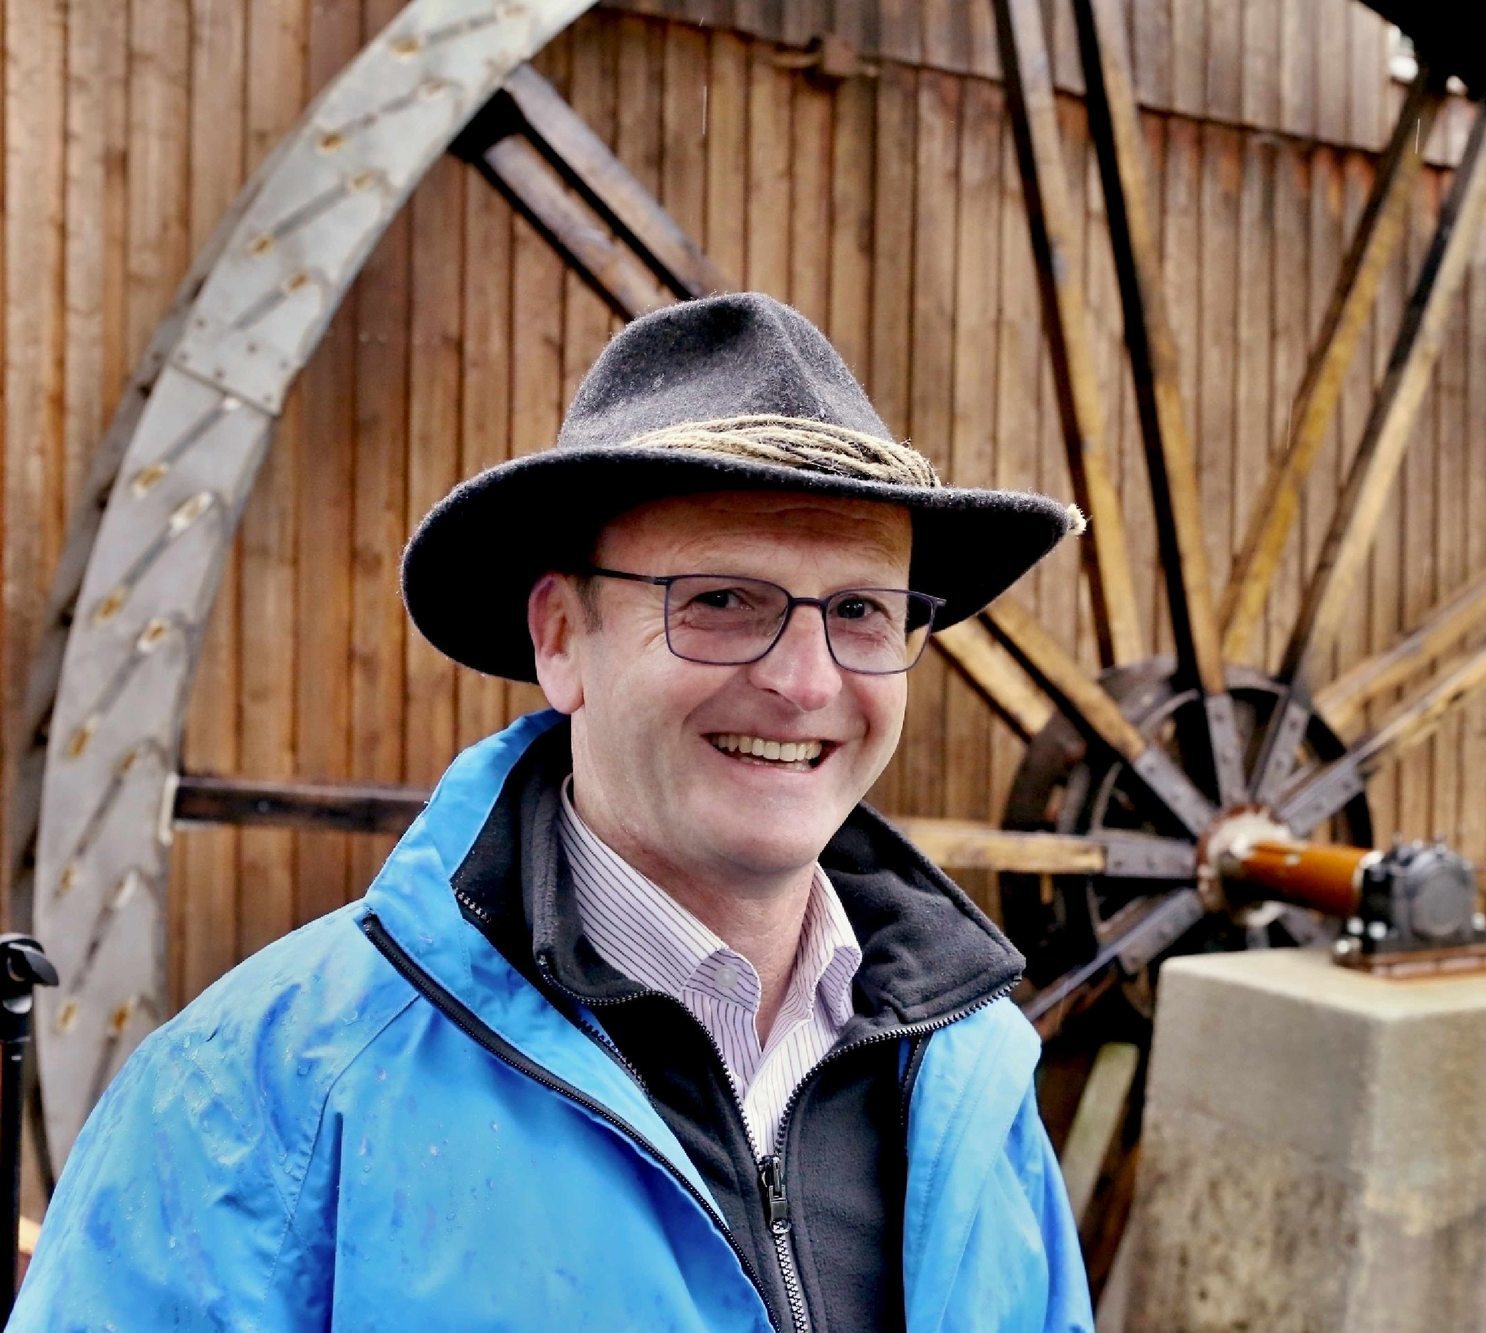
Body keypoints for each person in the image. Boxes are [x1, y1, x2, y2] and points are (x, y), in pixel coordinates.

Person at [13, 294, 1094, 1330]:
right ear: (561, 638)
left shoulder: (972, 1087)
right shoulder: (259, 1095)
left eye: (860, 610)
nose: (806, 681)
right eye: (722, 600)